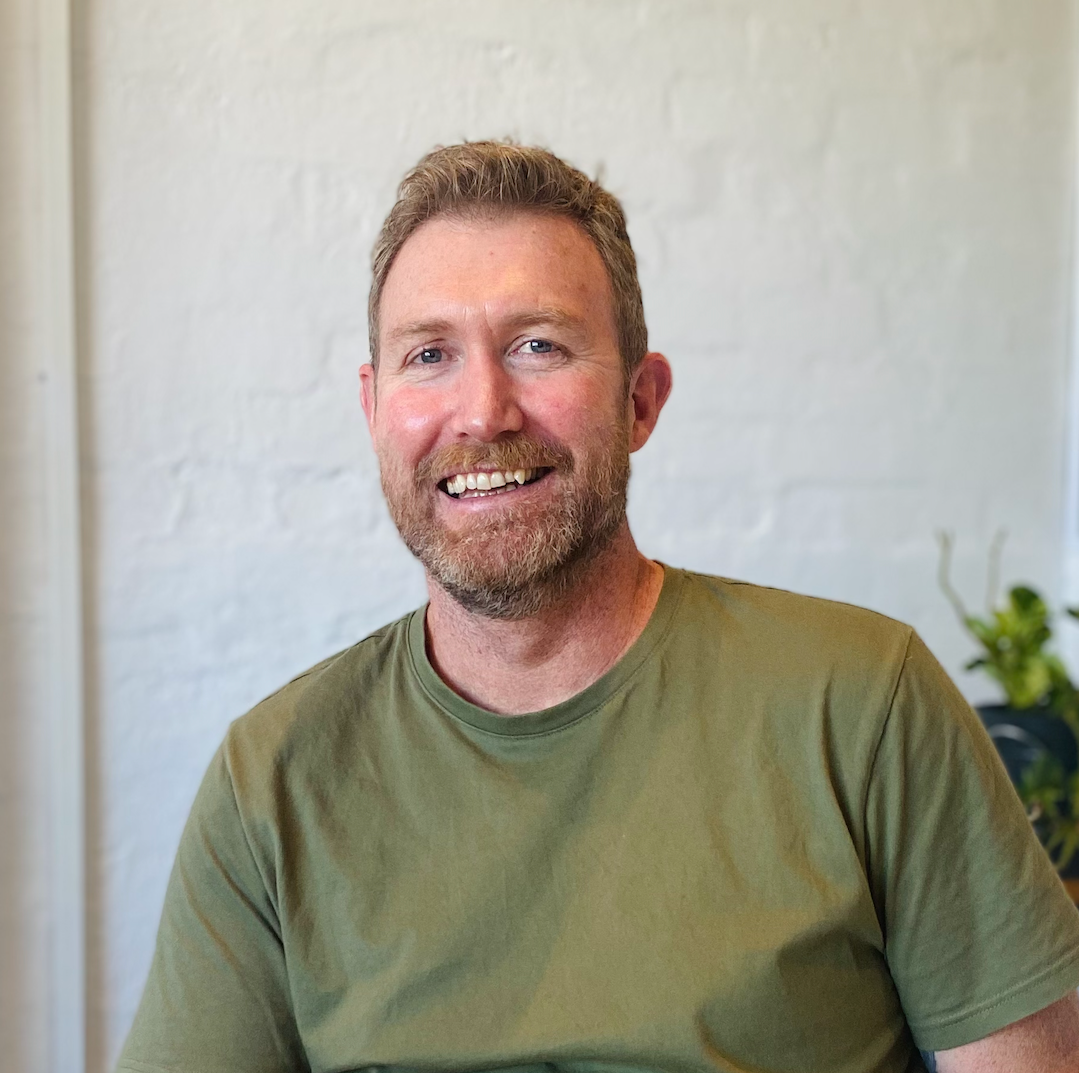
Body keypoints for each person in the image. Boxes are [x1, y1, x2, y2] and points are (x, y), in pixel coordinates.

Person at [117, 142, 1079, 1073]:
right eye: (429, 355)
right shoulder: (273, 780)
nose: (483, 410)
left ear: (639, 401)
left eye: (538, 345)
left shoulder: (863, 704)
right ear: (374, 408)